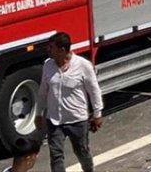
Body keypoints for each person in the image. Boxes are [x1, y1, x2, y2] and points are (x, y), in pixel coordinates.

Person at [37, 32, 102, 172]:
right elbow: (43, 91)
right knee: (56, 156)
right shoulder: (48, 65)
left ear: (62, 50)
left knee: (82, 152)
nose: (48, 50)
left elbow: (94, 90)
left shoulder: (83, 65)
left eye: (51, 47)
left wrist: (97, 114)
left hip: (76, 119)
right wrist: (39, 113)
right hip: (54, 120)